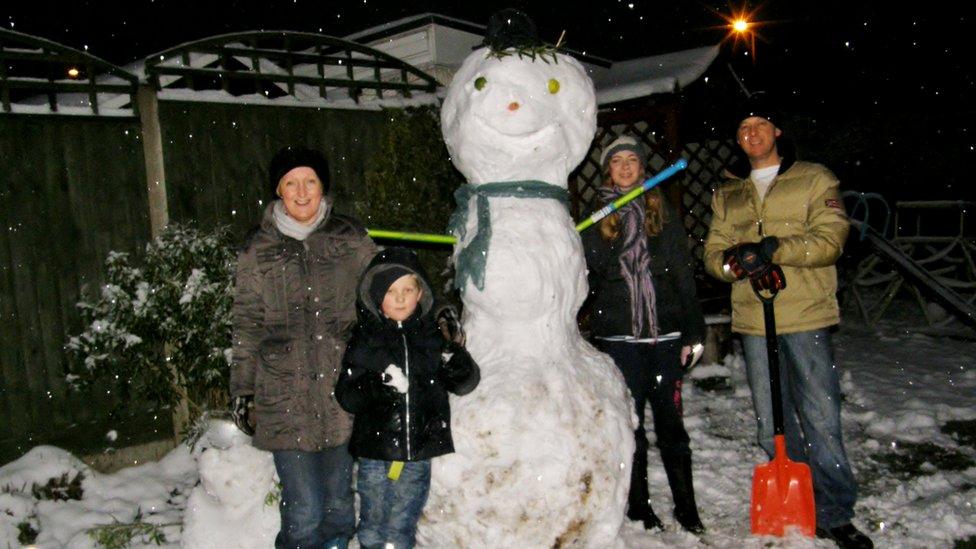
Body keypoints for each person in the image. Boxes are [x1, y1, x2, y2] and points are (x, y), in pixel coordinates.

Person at [703, 93, 873, 549]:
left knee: (820, 415)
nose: (751, 133)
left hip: (806, 313)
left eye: (759, 124)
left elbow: (831, 240)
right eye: (743, 128)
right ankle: (799, 498)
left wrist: (778, 249)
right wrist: (734, 263)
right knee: (770, 423)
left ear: (777, 131)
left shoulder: (814, 179)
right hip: (755, 320)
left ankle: (835, 512)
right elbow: (712, 255)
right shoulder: (729, 191)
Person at [229, 145, 377, 549]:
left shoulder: (351, 239)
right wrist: (242, 390)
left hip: (341, 394)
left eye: (310, 181)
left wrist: (430, 313)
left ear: (322, 187)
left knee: (339, 507)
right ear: (278, 189)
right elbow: (246, 325)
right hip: (283, 398)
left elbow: (391, 287)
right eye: (291, 182)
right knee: (304, 510)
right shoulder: (257, 250)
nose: (301, 192)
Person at [582, 135, 707, 534]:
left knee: (672, 425)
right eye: (616, 161)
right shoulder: (597, 212)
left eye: (631, 160)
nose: (624, 167)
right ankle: (640, 506)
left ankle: (687, 509)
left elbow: (682, 270)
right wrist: (612, 225)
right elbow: (594, 268)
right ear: (608, 170)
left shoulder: (661, 211)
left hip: (665, 336)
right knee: (631, 426)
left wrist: (693, 327)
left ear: (641, 167)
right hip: (620, 339)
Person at [335, 247, 480, 549]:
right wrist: (379, 386)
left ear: (420, 294)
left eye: (407, 289)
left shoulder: (431, 337)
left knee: (403, 521)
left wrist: (455, 360)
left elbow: (464, 383)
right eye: (391, 291)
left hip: (417, 453)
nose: (400, 298)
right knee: (374, 522)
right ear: (376, 298)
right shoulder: (365, 341)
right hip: (376, 454)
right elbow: (347, 396)